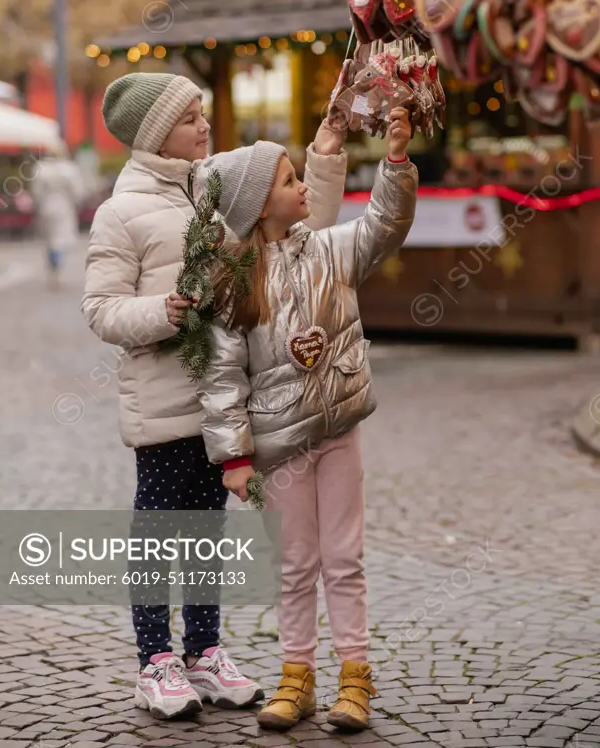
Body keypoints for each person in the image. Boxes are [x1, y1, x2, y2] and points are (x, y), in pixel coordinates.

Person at [81, 72, 348, 721]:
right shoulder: (121, 213)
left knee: (207, 533)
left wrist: (329, 152)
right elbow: (102, 309)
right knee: (157, 533)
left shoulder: (216, 187)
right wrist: (165, 312)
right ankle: (155, 662)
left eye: (203, 113)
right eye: (190, 117)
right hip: (164, 406)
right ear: (154, 134)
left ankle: (203, 651)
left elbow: (293, 207)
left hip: (222, 408)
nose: (204, 125)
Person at [199, 107, 417, 734]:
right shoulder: (234, 284)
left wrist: (396, 160)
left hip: (338, 430)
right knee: (295, 563)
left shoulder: (331, 249)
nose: (304, 188)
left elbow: (384, 224)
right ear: (258, 205)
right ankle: (296, 677)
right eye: (291, 180)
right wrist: (234, 455)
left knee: (344, 558)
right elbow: (221, 376)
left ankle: (355, 676)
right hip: (278, 447)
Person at [32, 141, 84, 288]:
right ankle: (57, 269)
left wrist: (40, 204)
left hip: (46, 208)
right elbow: (78, 192)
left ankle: (53, 268)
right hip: (64, 208)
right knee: (59, 241)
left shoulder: (41, 169)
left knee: (50, 241)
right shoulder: (70, 169)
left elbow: (36, 191)